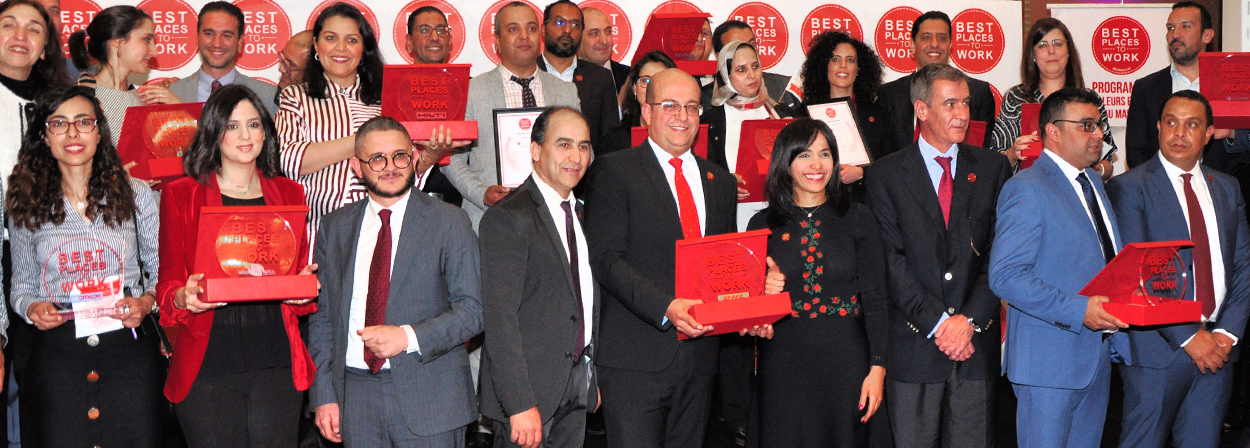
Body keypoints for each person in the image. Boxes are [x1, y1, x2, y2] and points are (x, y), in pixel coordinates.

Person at [582, 68, 737, 448]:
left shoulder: (721, 182)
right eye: (670, 105)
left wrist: (751, 301)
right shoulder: (614, 171)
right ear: (647, 112)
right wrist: (666, 306)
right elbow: (606, 259)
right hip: (635, 361)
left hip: (700, 361)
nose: (682, 116)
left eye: (692, 107)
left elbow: (724, 263)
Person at [155, 85, 317, 447]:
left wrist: (302, 290)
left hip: (276, 361)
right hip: (208, 365)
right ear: (214, 132)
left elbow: (297, 281)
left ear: (266, 132)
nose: (245, 136)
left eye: (254, 125)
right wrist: (183, 297)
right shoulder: (182, 194)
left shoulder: (289, 193)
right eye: (232, 126)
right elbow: (167, 288)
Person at [308, 116, 482, 446]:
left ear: (414, 158)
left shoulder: (450, 221)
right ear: (357, 167)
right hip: (356, 399)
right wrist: (324, 394)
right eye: (377, 158)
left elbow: (474, 310)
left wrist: (407, 337)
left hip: (432, 397)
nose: (390, 167)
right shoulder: (335, 227)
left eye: (399, 156)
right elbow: (323, 319)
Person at [865, 63, 1010, 448]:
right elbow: (890, 261)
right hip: (914, 347)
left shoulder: (993, 168)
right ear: (921, 109)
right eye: (950, 104)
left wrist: (969, 320)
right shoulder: (885, 174)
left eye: (966, 103)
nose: (963, 114)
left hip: (974, 347)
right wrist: (939, 324)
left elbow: (1000, 254)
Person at [7, 85, 160, 448]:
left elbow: (160, 271)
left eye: (83, 122)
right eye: (59, 124)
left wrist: (145, 302)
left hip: (128, 346)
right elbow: (21, 288)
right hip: (59, 355)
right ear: (44, 136)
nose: (73, 133)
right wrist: (32, 308)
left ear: (99, 132)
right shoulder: (27, 202)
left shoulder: (135, 192)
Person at [1108, 90, 1250, 448]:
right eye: (1171, 123)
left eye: (1192, 124)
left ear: (1208, 133)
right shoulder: (1130, 187)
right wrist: (1189, 336)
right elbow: (1140, 272)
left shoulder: (1227, 187)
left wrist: (1226, 334)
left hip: (1219, 351)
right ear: (1158, 127)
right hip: (1158, 352)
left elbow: (1243, 267)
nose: (1179, 133)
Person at [989, 87, 1129, 447]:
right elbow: (1005, 276)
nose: (1098, 134)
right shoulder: (1026, 188)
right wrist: (1080, 310)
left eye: (1098, 125)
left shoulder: (1092, 181)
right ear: (1052, 131)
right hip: (1047, 365)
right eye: (1086, 125)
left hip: (1096, 357)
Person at [747, 118, 886, 447]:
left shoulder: (860, 218)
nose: (817, 165)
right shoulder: (760, 225)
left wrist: (878, 368)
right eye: (805, 155)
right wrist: (762, 293)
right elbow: (747, 314)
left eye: (825, 154)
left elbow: (877, 299)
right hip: (783, 367)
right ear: (785, 162)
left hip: (848, 365)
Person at [479, 107, 598, 448]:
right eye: (564, 144)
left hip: (576, 384)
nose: (576, 156)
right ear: (535, 150)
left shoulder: (583, 213)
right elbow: (500, 320)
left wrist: (592, 378)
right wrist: (518, 403)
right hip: (528, 396)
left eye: (584, 146)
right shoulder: (507, 218)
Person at [444, 1, 579, 230]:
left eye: (531, 28)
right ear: (497, 41)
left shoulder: (566, 92)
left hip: (553, 219)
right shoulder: (469, 92)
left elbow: (585, 152)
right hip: (489, 219)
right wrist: (481, 193)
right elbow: (451, 158)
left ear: (540, 36)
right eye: (513, 29)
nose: (524, 36)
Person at [276, 3, 387, 244]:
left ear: (364, 49)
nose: (341, 48)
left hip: (377, 237)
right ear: (316, 46)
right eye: (330, 38)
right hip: (315, 236)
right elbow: (289, 160)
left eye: (352, 40)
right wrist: (366, 141)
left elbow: (402, 170)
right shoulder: (295, 96)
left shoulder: (385, 102)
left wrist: (431, 154)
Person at [1126, 1, 1249, 171]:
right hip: (1161, 185)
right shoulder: (1146, 88)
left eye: (1185, 26)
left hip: (1224, 183)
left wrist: (1232, 133)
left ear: (1207, 35)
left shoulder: (1233, 85)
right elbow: (1136, 153)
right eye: (1170, 28)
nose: (1175, 34)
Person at [989, 18, 1116, 179]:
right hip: (1029, 187)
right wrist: (1013, 154)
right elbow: (996, 159)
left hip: (1077, 188)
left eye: (1057, 44)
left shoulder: (1089, 100)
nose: (1051, 51)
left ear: (1068, 51)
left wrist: (1097, 170)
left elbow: (1108, 161)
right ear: (1033, 54)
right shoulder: (1016, 98)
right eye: (1042, 45)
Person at [877, 11, 996, 154]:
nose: (934, 44)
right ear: (912, 45)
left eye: (942, 38)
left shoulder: (978, 92)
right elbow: (882, 154)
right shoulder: (889, 94)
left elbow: (983, 154)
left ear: (950, 45)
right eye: (926, 37)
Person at [68, 5, 181, 146]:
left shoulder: (143, 100)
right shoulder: (78, 98)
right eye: (147, 40)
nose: (154, 51)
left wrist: (179, 112)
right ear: (118, 41)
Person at [797, 31, 888, 199]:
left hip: (866, 203)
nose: (843, 65)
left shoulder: (878, 114)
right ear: (825, 66)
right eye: (835, 59)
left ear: (858, 69)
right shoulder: (805, 114)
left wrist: (862, 173)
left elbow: (890, 164)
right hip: (820, 200)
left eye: (850, 60)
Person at [535, 0, 621, 154]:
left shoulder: (600, 78)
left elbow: (610, 143)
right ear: (543, 30)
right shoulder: (528, 73)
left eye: (575, 25)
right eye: (560, 22)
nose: (568, 30)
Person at [703, 41, 782, 206]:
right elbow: (701, 172)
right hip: (731, 211)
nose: (752, 75)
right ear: (726, 75)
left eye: (755, 66)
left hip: (779, 208)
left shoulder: (781, 113)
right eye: (741, 70)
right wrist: (723, 181)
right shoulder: (710, 122)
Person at [0, 0, 68, 182]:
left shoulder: (60, 105)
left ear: (44, 49)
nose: (20, 36)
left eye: (33, 30)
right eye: (9, 25)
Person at [169, 2, 277, 113]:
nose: (217, 43)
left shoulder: (268, 97)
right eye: (209, 33)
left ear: (240, 42)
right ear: (197, 38)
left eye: (227, 35)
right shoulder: (171, 93)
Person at [702, 20, 791, 106]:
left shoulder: (784, 89)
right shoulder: (704, 98)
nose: (747, 51)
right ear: (720, 57)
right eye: (737, 47)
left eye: (751, 45)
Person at [619, 50, 676, 128]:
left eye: (660, 80)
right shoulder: (620, 132)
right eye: (646, 80)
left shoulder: (681, 128)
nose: (652, 87)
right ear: (634, 88)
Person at [578, 7, 629, 94]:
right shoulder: (564, 78)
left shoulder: (630, 77)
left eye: (608, 31)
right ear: (577, 39)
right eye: (594, 33)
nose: (604, 41)